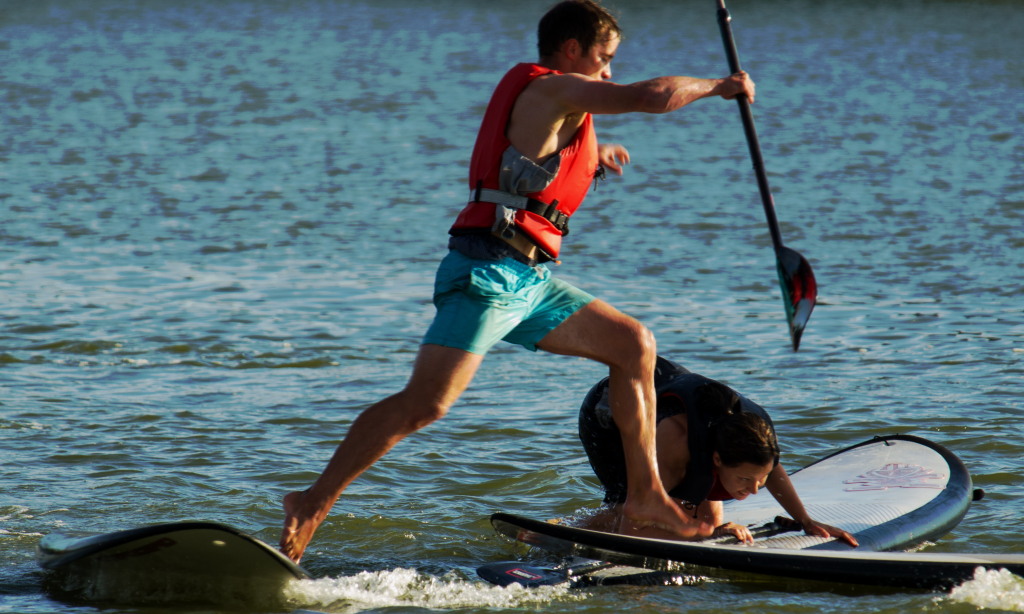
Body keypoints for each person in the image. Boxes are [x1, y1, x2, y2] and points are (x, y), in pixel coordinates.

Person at [279, 0, 759, 563]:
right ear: (572, 49)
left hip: (528, 279)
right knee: (425, 404)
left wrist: (591, 156)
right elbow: (649, 96)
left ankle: (646, 498)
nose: (608, 72)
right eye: (604, 58)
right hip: (486, 272)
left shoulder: (559, 110)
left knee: (633, 344)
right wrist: (720, 86)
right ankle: (312, 500)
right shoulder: (552, 87)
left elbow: (532, 166)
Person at [578, 356, 859, 546]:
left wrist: (806, 521)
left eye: (758, 480)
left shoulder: (750, 437)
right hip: (610, 413)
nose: (754, 490)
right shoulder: (675, 447)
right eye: (744, 479)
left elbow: (770, 470)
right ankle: (573, 533)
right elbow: (632, 528)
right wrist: (701, 537)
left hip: (672, 402)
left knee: (710, 521)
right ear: (716, 459)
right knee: (626, 513)